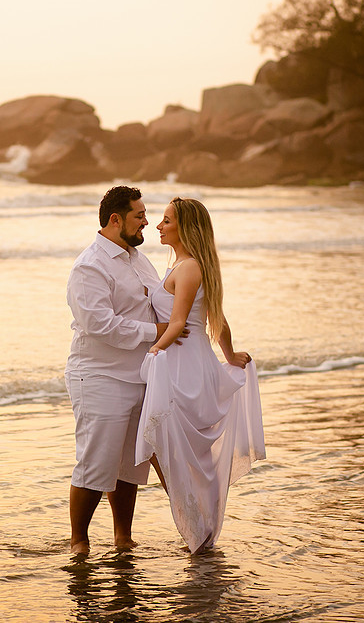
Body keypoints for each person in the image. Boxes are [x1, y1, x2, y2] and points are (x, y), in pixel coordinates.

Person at [135, 196, 266, 553]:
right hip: (186, 361)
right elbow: (216, 319)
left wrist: (154, 349)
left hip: (184, 365)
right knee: (177, 451)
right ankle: (198, 528)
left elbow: (181, 322)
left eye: (166, 221)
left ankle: (198, 528)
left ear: (185, 228)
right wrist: (228, 353)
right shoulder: (184, 264)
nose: (158, 226)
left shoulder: (189, 267)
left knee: (175, 450)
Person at [65, 185, 183, 556]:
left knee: (128, 464)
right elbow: (99, 324)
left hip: (140, 374)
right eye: (139, 215)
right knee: (97, 460)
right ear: (116, 219)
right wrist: (158, 332)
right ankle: (79, 541)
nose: (147, 221)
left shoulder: (137, 258)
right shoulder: (90, 265)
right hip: (100, 375)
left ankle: (122, 538)